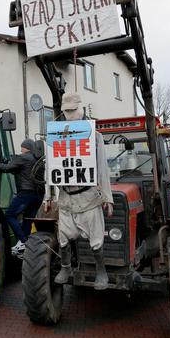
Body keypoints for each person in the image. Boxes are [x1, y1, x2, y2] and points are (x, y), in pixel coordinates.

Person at [49, 93, 113, 290]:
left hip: (88, 197)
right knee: (63, 238)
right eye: (66, 112)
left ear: (81, 110)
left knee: (96, 240)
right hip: (67, 198)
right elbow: (51, 168)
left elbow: (102, 167)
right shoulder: (55, 135)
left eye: (72, 111)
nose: (69, 115)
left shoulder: (95, 136)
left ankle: (101, 271)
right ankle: (66, 266)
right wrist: (48, 196)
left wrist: (107, 197)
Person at [0, 139, 43, 256]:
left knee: (9, 215)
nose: (21, 149)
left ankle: (23, 241)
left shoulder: (23, 157)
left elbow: (7, 168)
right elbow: (23, 172)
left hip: (26, 193)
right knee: (28, 218)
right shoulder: (37, 160)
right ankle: (22, 245)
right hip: (38, 195)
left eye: (22, 147)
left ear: (26, 148)